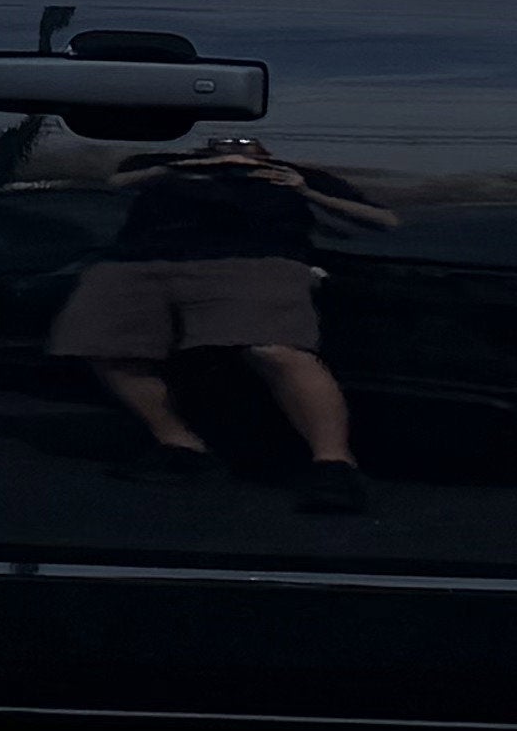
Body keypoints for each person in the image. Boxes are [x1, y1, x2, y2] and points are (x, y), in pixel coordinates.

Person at [45, 137, 398, 512]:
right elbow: (110, 184)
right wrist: (177, 169)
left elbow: (383, 220)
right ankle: (180, 446)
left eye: (245, 141)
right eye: (219, 142)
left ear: (267, 148)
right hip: (137, 261)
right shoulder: (160, 162)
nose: (232, 148)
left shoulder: (293, 174)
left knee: (274, 347)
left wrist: (305, 190)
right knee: (101, 342)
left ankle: (334, 465)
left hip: (254, 260)